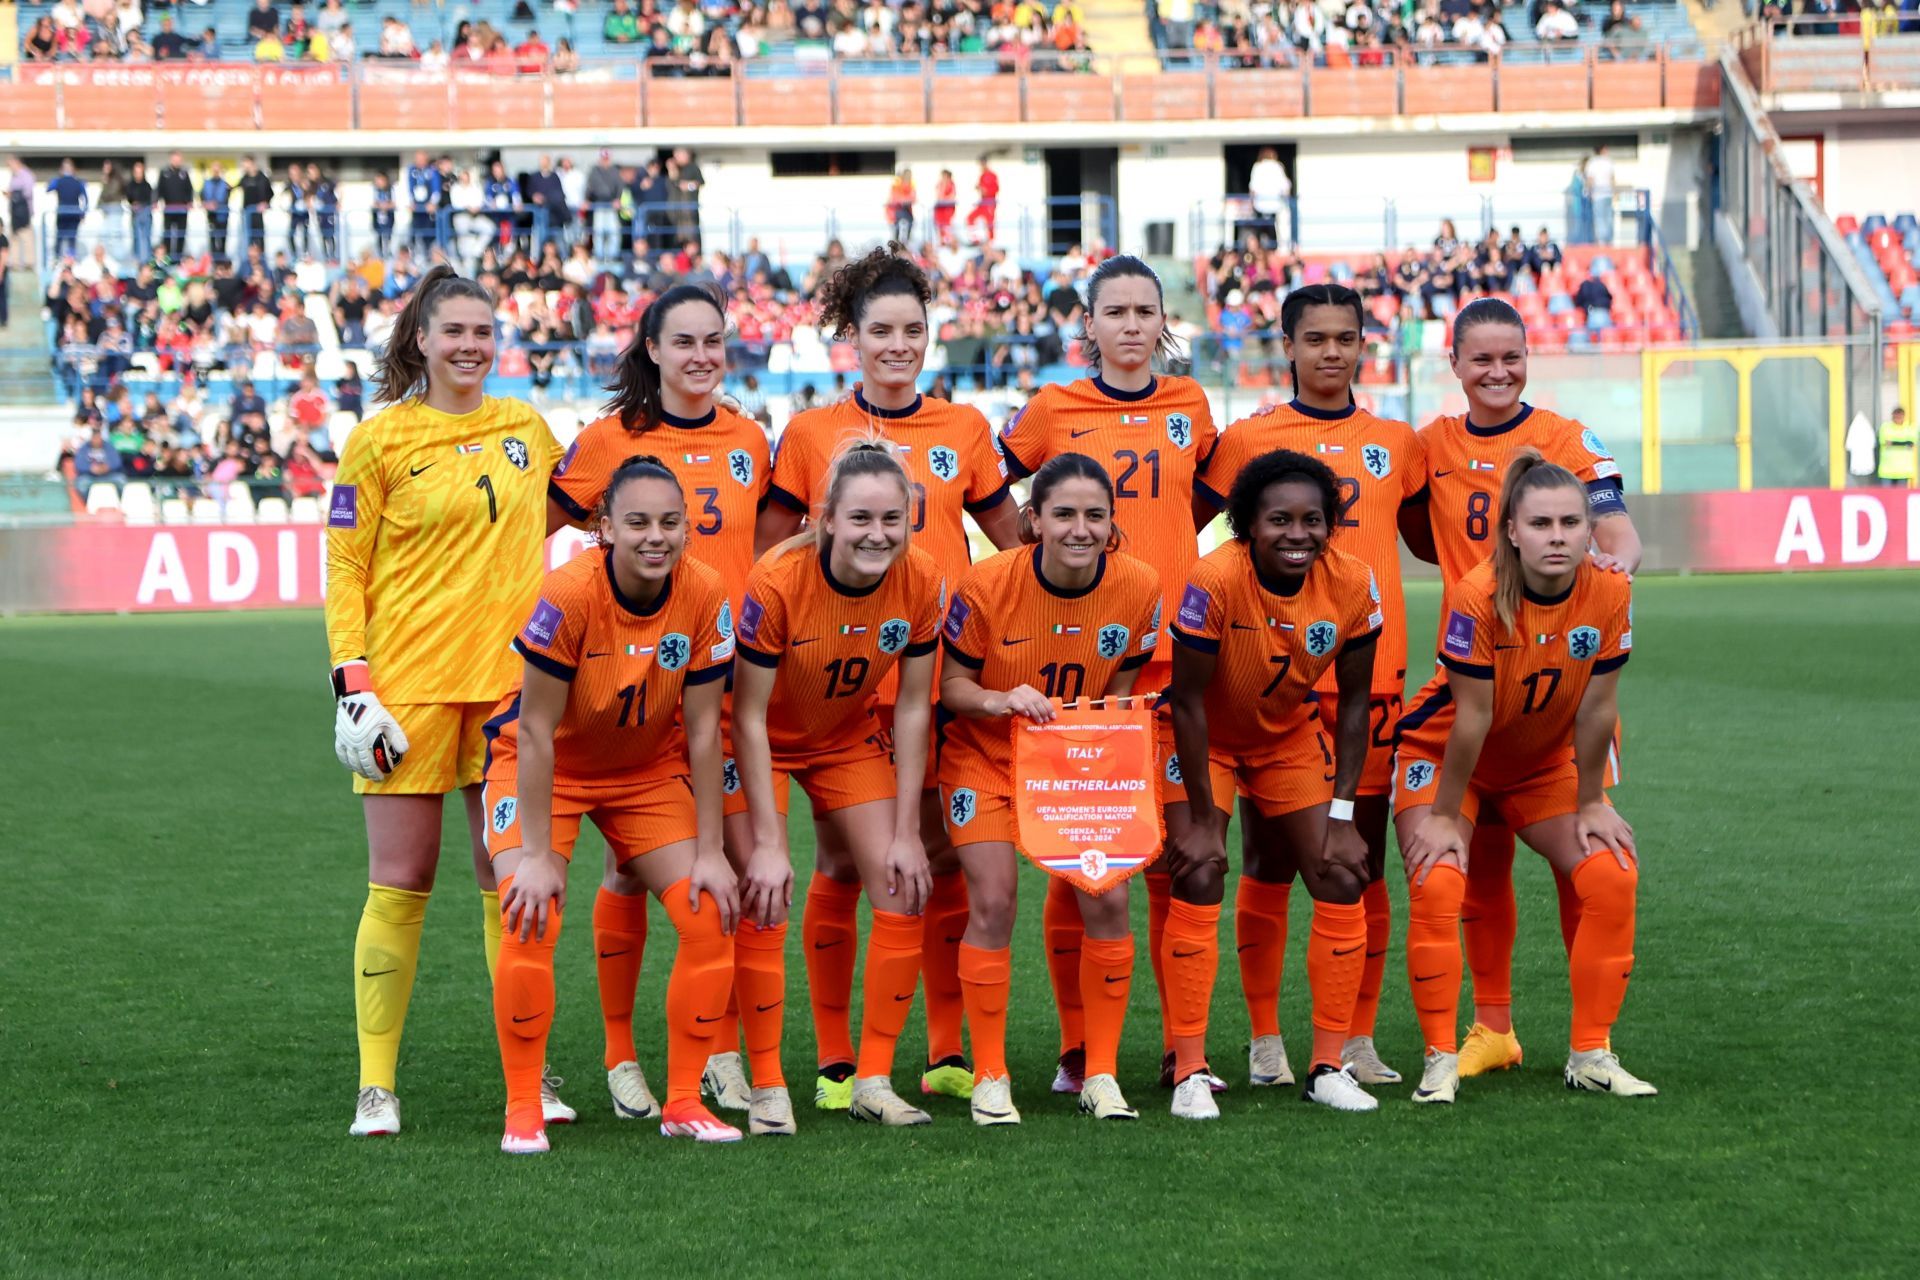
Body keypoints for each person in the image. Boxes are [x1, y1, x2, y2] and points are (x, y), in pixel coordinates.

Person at [756, 246, 1022, 1109]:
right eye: (881, 331)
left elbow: (1012, 542)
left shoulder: (965, 429)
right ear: (853, 337)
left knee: (936, 854)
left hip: (931, 673)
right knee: (840, 858)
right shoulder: (809, 434)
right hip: (831, 687)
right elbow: (772, 556)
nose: (898, 345)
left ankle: (943, 1049)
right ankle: (839, 1060)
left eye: (913, 329)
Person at [324, 265, 569, 1139]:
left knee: (511, 880)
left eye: (482, 331)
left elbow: (573, 512)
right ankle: (377, 1087)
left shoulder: (526, 428)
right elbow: (346, 564)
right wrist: (351, 678)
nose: (470, 346)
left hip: (508, 693)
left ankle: (529, 1076)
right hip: (407, 690)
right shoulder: (378, 440)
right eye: (453, 331)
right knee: (402, 879)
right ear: (420, 340)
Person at [543, 283, 771, 1129]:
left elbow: (769, 545)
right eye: (685, 343)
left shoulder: (750, 436)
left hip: (720, 681)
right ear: (651, 349)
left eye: (715, 341)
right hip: (630, 688)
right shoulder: (609, 442)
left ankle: (714, 1049)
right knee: (627, 865)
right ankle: (618, 1054)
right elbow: (536, 530)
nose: (702, 356)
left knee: (736, 870)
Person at [1190, 284, 1427, 1090]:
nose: (1332, 352)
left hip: (1371, 673)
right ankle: (1265, 1040)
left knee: (1354, 855)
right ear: (1286, 345)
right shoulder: (1249, 438)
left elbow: (1434, 536)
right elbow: (1201, 529)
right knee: (1264, 859)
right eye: (1315, 338)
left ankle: (1354, 1038)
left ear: (1365, 345)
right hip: (1265, 686)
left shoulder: (1399, 440)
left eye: (1347, 337)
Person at [996, 255, 1218, 1095]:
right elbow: (994, 486)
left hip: (1177, 660)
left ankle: (1179, 1048)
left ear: (1164, 323)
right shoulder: (1053, 407)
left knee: (1174, 856)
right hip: (1088, 663)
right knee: (1083, 851)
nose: (1131, 325)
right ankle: (1078, 1048)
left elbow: (1194, 503)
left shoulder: (1190, 405)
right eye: (1114, 311)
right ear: (1087, 324)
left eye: (1145, 311)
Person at [1406, 296, 1642, 1082]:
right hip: (1470, 682)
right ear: (1456, 364)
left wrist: (1613, 571)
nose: (1498, 372)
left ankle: (1591, 1043)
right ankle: (1491, 1030)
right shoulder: (1428, 446)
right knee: (1476, 874)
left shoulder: (1567, 440)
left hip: (1556, 689)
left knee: (1594, 869)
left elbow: (1616, 529)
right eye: (1482, 359)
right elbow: (1400, 527)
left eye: (1512, 357)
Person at [484, 456, 743, 1152]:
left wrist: (714, 852)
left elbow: (702, 731)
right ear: (603, 528)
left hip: (642, 774)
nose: (655, 537)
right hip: (546, 771)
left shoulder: (707, 590)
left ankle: (684, 1101)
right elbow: (535, 731)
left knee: (708, 913)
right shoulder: (568, 595)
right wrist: (537, 856)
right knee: (530, 913)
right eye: (637, 523)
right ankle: (522, 1108)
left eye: (669, 522)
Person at [939, 453, 1163, 1125]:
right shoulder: (985, 585)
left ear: (1112, 524)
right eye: (1063, 513)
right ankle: (990, 1075)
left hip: (1074, 764)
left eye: (1095, 515)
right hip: (985, 756)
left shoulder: (1139, 585)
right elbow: (951, 688)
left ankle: (1099, 1074)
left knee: (1109, 897)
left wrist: (1103, 745)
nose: (1080, 528)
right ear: (1033, 520)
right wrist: (1002, 698)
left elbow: (1122, 687)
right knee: (995, 900)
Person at [733, 440, 945, 1128]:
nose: (877, 534)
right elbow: (747, 715)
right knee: (763, 892)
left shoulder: (922, 579)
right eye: (860, 518)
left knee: (901, 886)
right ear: (826, 519)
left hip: (845, 738)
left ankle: (872, 1080)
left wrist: (910, 832)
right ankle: (767, 1082)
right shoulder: (777, 579)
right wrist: (769, 840)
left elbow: (913, 706)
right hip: (763, 738)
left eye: (892, 519)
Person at [1166, 449, 1384, 1119]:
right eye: (1279, 520)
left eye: (1313, 520)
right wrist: (1203, 815)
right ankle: (1191, 1070)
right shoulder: (1214, 578)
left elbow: (1353, 706)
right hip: (1206, 739)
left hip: (1284, 736)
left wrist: (1344, 814)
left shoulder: (1352, 583)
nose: (1298, 534)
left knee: (1341, 872)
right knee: (1201, 865)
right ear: (1246, 526)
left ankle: (1325, 1065)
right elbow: (1187, 702)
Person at [1247, 147, 1292, 248]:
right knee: (1275, 228)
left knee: (1259, 228)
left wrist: (1251, 202)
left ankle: (1258, 247)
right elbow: (1285, 187)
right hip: (1275, 204)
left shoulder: (1257, 167)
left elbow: (1252, 188)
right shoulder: (1278, 166)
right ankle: (1274, 247)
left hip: (1259, 204)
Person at [157, 153, 194, 261]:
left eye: (179, 159)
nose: (176, 161)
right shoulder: (164, 173)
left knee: (181, 234)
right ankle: (167, 258)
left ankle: (178, 258)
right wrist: (156, 201)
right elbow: (159, 189)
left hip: (182, 210)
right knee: (167, 234)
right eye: (174, 159)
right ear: (171, 159)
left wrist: (189, 202)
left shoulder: (184, 173)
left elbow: (189, 189)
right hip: (169, 209)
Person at [49, 160, 88, 261]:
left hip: (64, 213)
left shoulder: (59, 181)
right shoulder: (78, 182)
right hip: (72, 214)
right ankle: (69, 259)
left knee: (61, 237)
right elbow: (85, 199)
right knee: (70, 238)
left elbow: (48, 188)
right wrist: (83, 213)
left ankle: (59, 259)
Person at [1880, 406, 1917, 487]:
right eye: (1896, 416)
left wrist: (1893, 442)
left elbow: (1911, 443)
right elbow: (1886, 442)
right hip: (1887, 470)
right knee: (1886, 496)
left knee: (1900, 497)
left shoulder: (1909, 428)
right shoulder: (1886, 427)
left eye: (1900, 416)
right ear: (1892, 416)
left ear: (1904, 416)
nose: (1898, 418)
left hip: (1903, 470)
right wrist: (1904, 443)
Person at [967, 159, 999, 245]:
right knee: (970, 218)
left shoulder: (993, 175)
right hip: (982, 202)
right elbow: (980, 187)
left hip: (990, 202)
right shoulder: (982, 175)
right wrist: (979, 188)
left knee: (990, 222)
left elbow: (996, 189)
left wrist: (986, 190)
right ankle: (975, 239)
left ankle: (992, 242)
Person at [886, 169, 916, 246]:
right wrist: (904, 199)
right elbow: (895, 198)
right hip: (897, 210)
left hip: (907, 210)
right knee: (898, 225)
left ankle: (906, 242)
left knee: (910, 223)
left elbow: (913, 198)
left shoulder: (911, 185)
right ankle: (897, 241)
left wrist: (905, 200)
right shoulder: (897, 185)